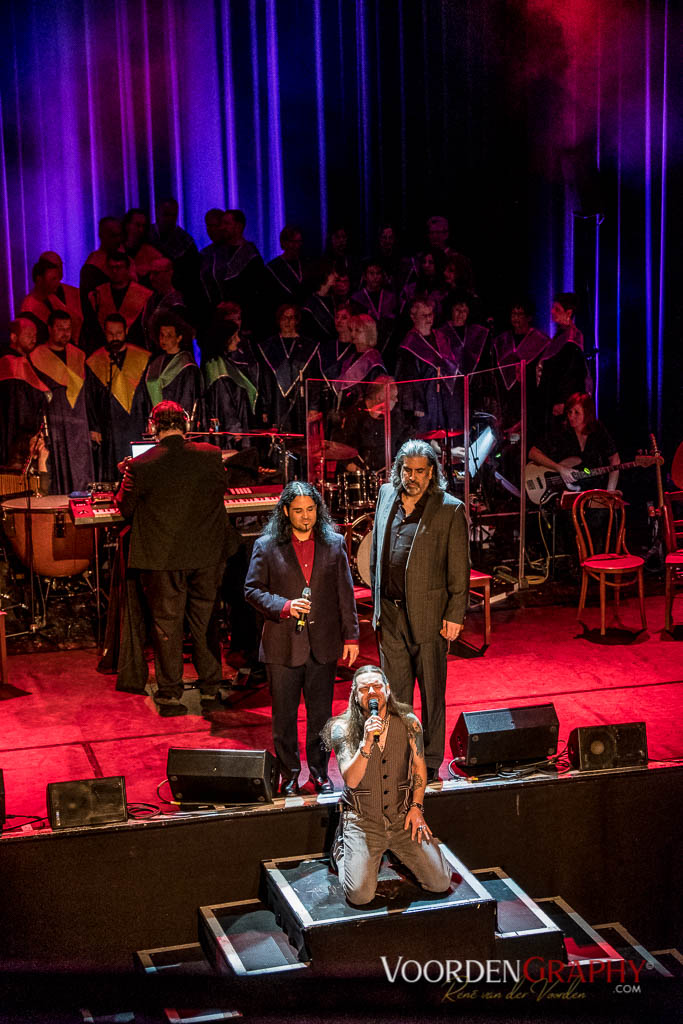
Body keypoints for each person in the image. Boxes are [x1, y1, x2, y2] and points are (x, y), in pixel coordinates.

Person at [116, 400, 231, 716]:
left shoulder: (142, 464)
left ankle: (169, 695)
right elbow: (221, 489)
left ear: (153, 427)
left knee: (167, 625)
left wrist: (122, 477)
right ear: (186, 425)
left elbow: (126, 510)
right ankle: (210, 688)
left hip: (162, 558)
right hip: (206, 554)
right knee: (205, 621)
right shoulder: (210, 454)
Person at [244, 482, 359, 795]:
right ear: (285, 512)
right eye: (298, 510)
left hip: (322, 644)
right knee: (284, 717)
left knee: (321, 716)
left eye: (310, 509)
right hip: (282, 645)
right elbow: (252, 590)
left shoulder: (334, 543)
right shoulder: (267, 546)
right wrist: (284, 606)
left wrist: (351, 636)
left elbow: (345, 594)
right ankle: (289, 775)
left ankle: (320, 773)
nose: (305, 516)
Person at [370, 439, 470, 781]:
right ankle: (401, 757)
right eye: (406, 470)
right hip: (391, 613)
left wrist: (456, 612)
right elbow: (375, 555)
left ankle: (428, 760)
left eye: (419, 472)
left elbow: (460, 567)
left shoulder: (449, 509)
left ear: (432, 473)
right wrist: (376, 608)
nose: (411, 477)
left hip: (429, 616)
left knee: (431, 695)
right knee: (396, 697)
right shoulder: (386, 496)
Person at [322, 665, 451, 905]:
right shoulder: (341, 728)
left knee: (440, 882)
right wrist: (366, 743)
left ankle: (398, 851)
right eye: (364, 689)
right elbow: (351, 780)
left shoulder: (408, 722)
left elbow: (419, 767)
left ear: (388, 690)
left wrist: (416, 807)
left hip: (401, 816)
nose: (372, 692)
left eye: (377, 686)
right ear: (355, 694)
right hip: (362, 820)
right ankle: (342, 849)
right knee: (360, 896)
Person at [30, 310, 94, 493]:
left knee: (81, 469)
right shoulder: (37, 357)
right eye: (60, 328)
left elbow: (89, 394)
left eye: (68, 329)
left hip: (79, 424)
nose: (65, 333)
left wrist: (94, 426)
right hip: (55, 423)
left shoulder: (78, 356)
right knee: (58, 468)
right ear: (50, 329)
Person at [85, 313, 150, 481]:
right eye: (110, 334)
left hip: (135, 421)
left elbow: (148, 394)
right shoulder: (95, 361)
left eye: (119, 333)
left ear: (126, 331)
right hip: (109, 426)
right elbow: (90, 397)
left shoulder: (142, 357)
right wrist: (94, 426)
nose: (115, 338)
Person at [528, 392, 620, 497]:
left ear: (587, 414)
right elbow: (533, 453)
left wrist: (609, 492)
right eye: (569, 412)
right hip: (560, 493)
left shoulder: (598, 430)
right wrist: (560, 468)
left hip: (592, 490)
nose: (571, 416)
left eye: (577, 413)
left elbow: (615, 459)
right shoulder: (561, 431)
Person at [535, 292, 588, 436]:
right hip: (551, 400)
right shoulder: (560, 336)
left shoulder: (572, 339)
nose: (552, 312)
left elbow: (571, 374)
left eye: (557, 309)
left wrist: (563, 402)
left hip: (563, 404)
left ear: (569, 313)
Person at [0, 317, 50, 466]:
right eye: (28, 335)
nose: (33, 339)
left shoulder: (25, 362)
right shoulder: (12, 363)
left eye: (35, 335)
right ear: (14, 337)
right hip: (15, 433)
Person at [143, 311, 202, 424]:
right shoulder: (155, 362)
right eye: (162, 335)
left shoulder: (186, 366)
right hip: (156, 422)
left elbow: (187, 400)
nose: (164, 339)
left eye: (169, 336)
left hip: (175, 423)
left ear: (179, 338)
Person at [87, 251, 152, 349]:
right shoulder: (98, 294)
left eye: (119, 267)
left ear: (127, 269)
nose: (115, 271)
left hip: (135, 350)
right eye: (111, 267)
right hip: (105, 351)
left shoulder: (143, 294)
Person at [20, 255, 85, 348]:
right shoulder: (28, 306)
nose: (58, 283)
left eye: (57, 279)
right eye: (53, 279)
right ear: (39, 280)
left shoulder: (53, 299)